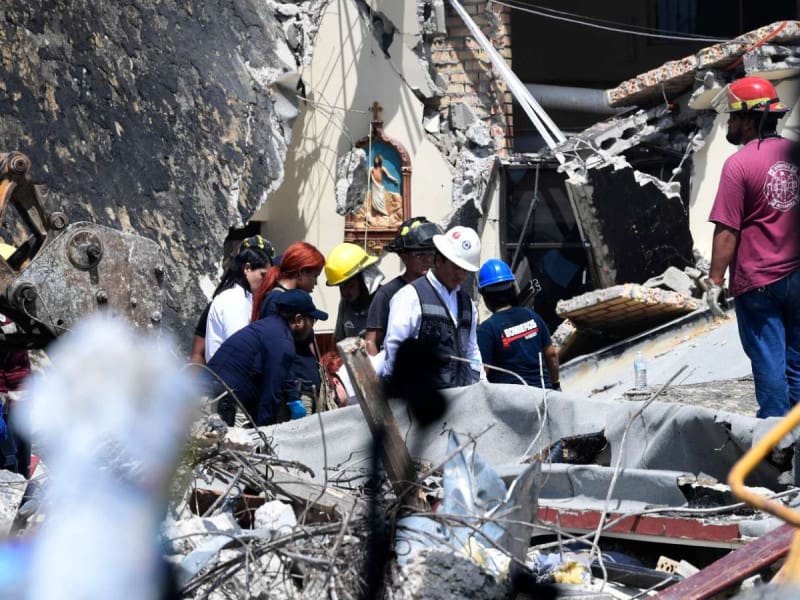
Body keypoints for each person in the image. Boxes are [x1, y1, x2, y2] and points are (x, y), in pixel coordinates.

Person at [708, 76, 800, 418]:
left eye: (732, 117)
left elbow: (727, 231)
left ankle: (777, 447)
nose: (728, 124)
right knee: (798, 364)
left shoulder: (738, 165)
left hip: (759, 282)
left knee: (769, 364)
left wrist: (714, 282)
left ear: (748, 120)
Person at [206, 289, 329, 426]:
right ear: (299, 319)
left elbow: (284, 372)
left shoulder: (268, 328)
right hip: (223, 399)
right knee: (237, 444)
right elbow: (271, 394)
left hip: (206, 390)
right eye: (313, 320)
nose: (312, 327)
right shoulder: (283, 342)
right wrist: (266, 432)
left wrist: (294, 399)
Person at [383, 225, 483, 388]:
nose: (461, 275)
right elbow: (394, 346)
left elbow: (472, 350)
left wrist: (481, 385)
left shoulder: (467, 304)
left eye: (465, 270)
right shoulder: (410, 296)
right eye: (456, 267)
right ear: (438, 260)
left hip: (463, 401)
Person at [476, 259, 560, 389]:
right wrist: (556, 384)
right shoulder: (532, 316)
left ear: (485, 296)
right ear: (512, 288)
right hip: (544, 394)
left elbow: (482, 373)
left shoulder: (487, 330)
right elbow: (551, 355)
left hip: (511, 403)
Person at [365, 217, 442, 355]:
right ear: (403, 256)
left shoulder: (441, 291)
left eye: (432, 253)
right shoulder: (387, 294)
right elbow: (371, 341)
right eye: (420, 254)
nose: (428, 259)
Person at [204, 235, 273, 362]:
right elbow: (240, 347)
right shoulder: (234, 300)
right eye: (263, 275)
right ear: (247, 268)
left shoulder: (242, 297)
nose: (266, 281)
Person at [251, 241, 325, 321]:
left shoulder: (283, 298)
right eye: (315, 276)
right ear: (301, 272)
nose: (316, 283)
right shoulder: (276, 301)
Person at [325, 242, 384, 342]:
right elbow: (339, 340)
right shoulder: (345, 303)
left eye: (350, 286)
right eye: (341, 287)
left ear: (364, 281)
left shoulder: (384, 301)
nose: (345, 292)